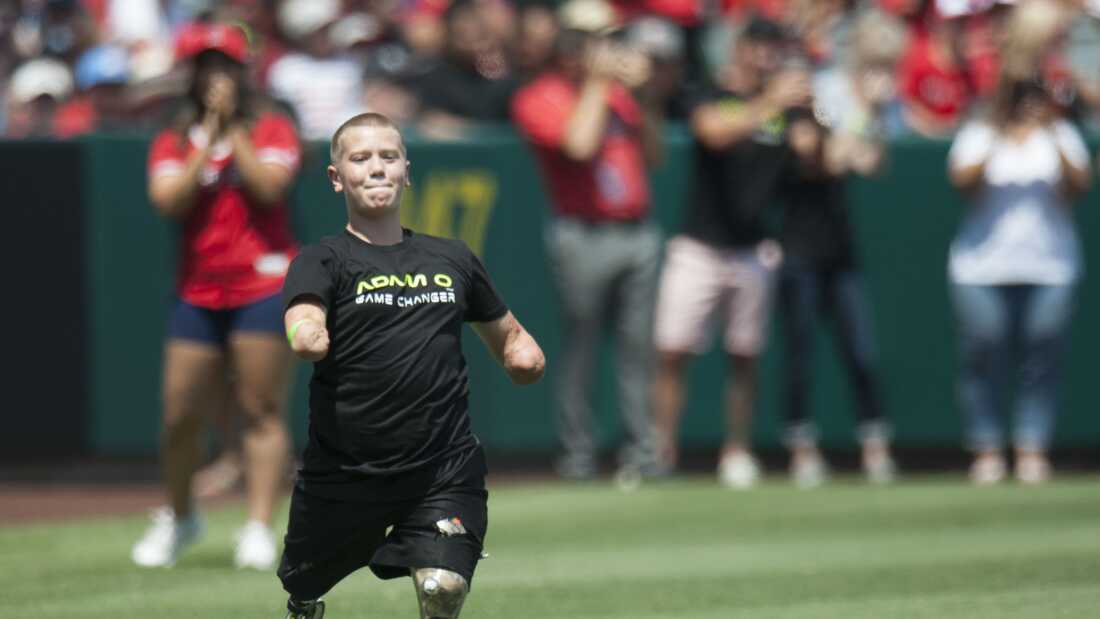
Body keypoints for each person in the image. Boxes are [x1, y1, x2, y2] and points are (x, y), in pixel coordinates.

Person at [278, 113, 545, 618]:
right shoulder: (323, 259)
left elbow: (506, 332)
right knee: (306, 578)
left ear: (407, 169)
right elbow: (303, 313)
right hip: (346, 472)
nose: (376, 168)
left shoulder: (452, 258)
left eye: (388, 157)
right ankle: (304, 603)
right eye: (360, 159)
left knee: (443, 589)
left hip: (442, 469)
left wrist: (521, 354)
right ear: (337, 178)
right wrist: (306, 333)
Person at [130, 22, 301, 570]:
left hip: (262, 283)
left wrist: (236, 132)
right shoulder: (175, 136)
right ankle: (182, 517)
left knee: (260, 407)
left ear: (241, 72)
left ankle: (257, 527)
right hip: (199, 288)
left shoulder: (273, 127)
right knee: (180, 413)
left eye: (225, 66)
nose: (216, 78)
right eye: (206, 67)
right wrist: (206, 139)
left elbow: (269, 187)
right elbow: (168, 199)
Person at [652, 16, 807, 488]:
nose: (764, 55)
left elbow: (814, 156)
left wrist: (819, 117)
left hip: (753, 247)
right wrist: (771, 103)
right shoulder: (711, 91)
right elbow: (712, 131)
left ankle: (736, 450)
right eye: (757, 45)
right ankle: (661, 450)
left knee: (745, 356)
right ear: (739, 48)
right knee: (673, 351)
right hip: (699, 244)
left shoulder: (789, 109)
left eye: (772, 47)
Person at [512, 1, 663, 482]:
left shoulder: (622, 96)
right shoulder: (541, 95)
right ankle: (578, 453)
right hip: (584, 233)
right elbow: (578, 146)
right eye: (595, 41)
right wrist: (600, 83)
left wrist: (649, 97)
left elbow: (655, 154)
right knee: (582, 347)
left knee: (638, 349)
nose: (605, 50)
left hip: (635, 229)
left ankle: (642, 450)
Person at [775, 10, 905, 488]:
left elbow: (872, 162)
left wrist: (868, 123)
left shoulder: (874, 101)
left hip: (841, 246)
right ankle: (801, 449)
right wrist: (865, 116)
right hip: (797, 241)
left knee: (862, 350)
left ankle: (875, 446)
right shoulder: (825, 92)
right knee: (800, 352)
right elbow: (825, 158)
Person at [947, 74, 1091, 485]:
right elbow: (962, 182)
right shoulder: (980, 134)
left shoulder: (1059, 134)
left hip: (1050, 266)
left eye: (1032, 99)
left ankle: (1032, 447)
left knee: (1042, 358)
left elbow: (1080, 184)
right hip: (982, 266)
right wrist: (997, 133)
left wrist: (1051, 130)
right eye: (1018, 100)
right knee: (984, 353)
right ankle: (986, 448)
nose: (1026, 107)